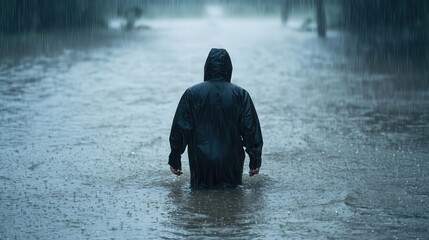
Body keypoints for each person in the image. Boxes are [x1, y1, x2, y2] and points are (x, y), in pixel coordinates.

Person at [168, 48, 263, 189]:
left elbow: (181, 128)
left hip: (201, 162)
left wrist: (175, 158)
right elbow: (250, 129)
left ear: (207, 68)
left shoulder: (192, 94)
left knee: (198, 203)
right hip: (231, 162)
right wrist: (255, 161)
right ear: (229, 68)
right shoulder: (240, 94)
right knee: (234, 201)